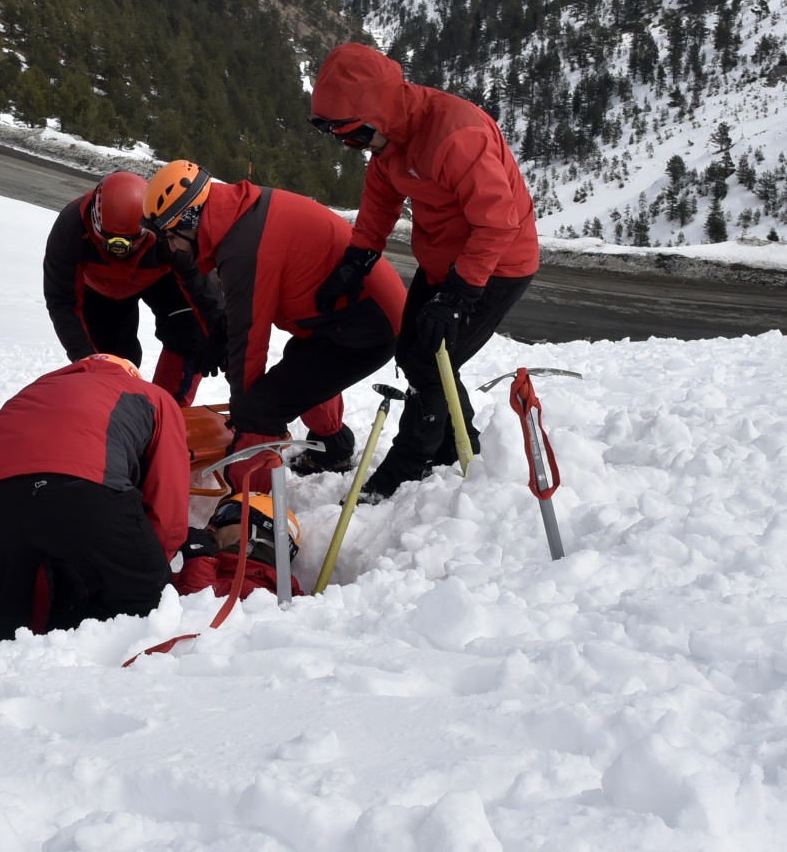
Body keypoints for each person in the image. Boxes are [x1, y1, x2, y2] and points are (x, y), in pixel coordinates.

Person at [309, 42, 538, 502]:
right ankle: (457, 446)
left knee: (430, 361)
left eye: (356, 136)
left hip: (497, 263)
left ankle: (408, 465)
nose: (355, 147)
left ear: (379, 112)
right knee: (414, 351)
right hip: (443, 261)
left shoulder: (456, 135)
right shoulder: (390, 140)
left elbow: (498, 222)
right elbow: (380, 200)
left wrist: (457, 296)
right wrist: (357, 259)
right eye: (342, 138)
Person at [0, 354, 190, 640]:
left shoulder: (36, 391)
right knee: (149, 605)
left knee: (1, 627)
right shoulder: (153, 396)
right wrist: (145, 563)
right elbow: (167, 504)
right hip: (81, 486)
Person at [141, 160, 407, 493]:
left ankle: (251, 501)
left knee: (260, 409)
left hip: (368, 326)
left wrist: (244, 413)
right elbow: (244, 308)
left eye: (170, 236)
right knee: (298, 365)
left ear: (190, 219)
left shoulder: (243, 248)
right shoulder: (240, 216)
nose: (171, 247)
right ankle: (334, 449)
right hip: (349, 317)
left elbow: (249, 338)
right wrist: (220, 334)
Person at [43, 171, 226, 405]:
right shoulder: (70, 229)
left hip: (161, 279)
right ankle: (112, 408)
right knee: (108, 361)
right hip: (102, 292)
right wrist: (84, 357)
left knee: (192, 336)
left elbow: (204, 287)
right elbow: (62, 302)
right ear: (94, 224)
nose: (121, 253)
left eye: (130, 244)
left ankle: (168, 407)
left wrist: (223, 336)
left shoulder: (167, 228)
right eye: (111, 243)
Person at [174, 492, 303, 600]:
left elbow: (201, 611)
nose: (208, 527)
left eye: (224, 517)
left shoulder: (263, 596)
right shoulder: (192, 573)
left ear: (260, 533)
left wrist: (199, 557)